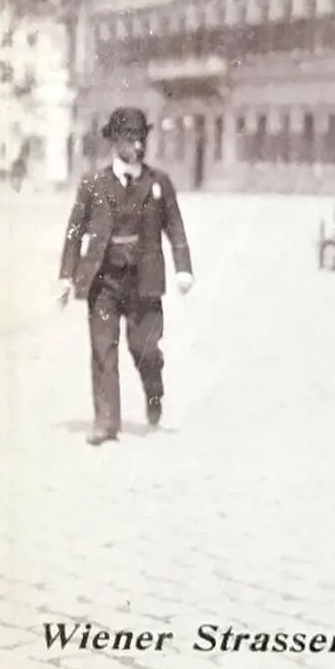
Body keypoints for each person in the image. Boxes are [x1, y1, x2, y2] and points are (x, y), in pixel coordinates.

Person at [58, 107, 194, 445]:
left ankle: (153, 389)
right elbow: (75, 230)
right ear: (115, 141)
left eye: (141, 138)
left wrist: (184, 268)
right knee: (103, 348)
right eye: (131, 138)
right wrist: (65, 276)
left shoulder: (158, 182)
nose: (138, 145)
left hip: (143, 281)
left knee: (144, 349)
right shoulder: (93, 184)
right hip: (103, 281)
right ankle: (106, 422)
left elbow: (174, 226)